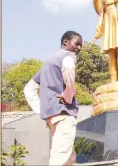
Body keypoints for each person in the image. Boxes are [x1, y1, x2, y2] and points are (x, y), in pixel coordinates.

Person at [24, 31, 83, 166]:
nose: (79, 48)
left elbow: (28, 89)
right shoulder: (68, 56)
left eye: (81, 45)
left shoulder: (48, 63)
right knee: (61, 158)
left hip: (51, 117)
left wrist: (42, 109)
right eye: (77, 43)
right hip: (64, 114)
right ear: (65, 42)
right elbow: (68, 68)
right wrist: (68, 96)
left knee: (69, 156)